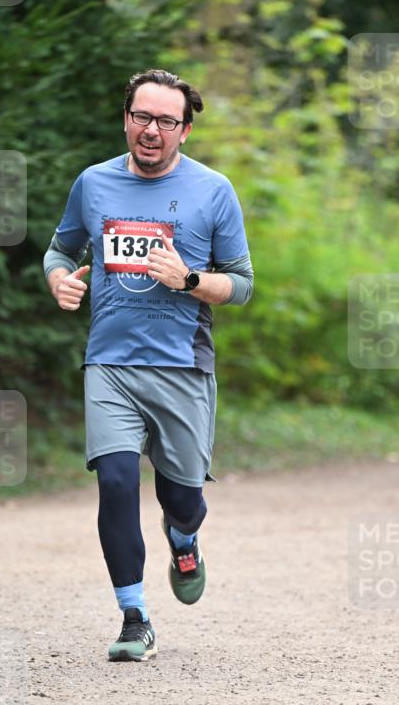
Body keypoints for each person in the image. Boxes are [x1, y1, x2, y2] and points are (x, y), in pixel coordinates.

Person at [44, 69, 253, 662]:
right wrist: (60, 280)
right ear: (125, 119)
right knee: (114, 482)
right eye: (142, 117)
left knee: (181, 497)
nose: (152, 130)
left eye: (166, 121)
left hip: (182, 367)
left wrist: (188, 280)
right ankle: (134, 617)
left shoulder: (213, 191)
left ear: (185, 129)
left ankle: (184, 539)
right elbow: (61, 249)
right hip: (109, 363)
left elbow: (241, 286)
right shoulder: (94, 183)